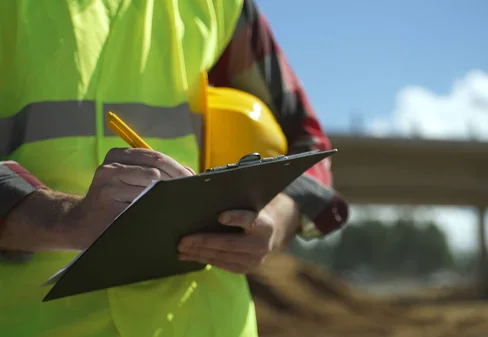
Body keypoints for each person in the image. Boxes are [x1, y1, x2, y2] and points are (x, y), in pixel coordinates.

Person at [0, 1, 349, 336]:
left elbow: (308, 146)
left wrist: (273, 218)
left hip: (210, 324)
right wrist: (60, 218)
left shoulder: (222, 5)